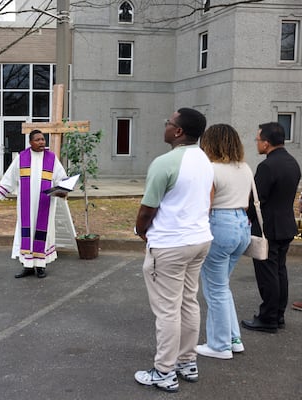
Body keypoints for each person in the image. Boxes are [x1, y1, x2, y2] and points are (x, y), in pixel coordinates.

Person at [133, 108, 213, 392]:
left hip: (171, 244)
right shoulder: (204, 159)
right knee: (188, 301)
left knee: (168, 310)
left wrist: (140, 231)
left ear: (178, 131)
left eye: (168, 123)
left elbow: (147, 209)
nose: (165, 126)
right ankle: (186, 361)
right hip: (199, 239)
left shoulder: (165, 162)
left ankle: (164, 371)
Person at [196, 124, 253, 359]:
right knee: (222, 286)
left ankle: (219, 345)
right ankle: (232, 338)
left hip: (220, 224)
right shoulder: (244, 167)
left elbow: (205, 206)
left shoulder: (210, 169)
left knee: (215, 289)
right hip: (242, 225)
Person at [0, 130, 67, 279]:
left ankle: (40, 266)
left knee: (43, 233)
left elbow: (61, 179)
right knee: (26, 233)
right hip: (26, 206)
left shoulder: (51, 158)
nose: (42, 142)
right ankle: (27, 266)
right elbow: (9, 179)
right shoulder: (22, 158)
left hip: (45, 204)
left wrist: (63, 189)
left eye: (43, 139)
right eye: (38, 140)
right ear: (30, 142)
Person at [241, 122, 301, 333]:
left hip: (268, 228)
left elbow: (257, 199)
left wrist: (246, 218)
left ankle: (267, 318)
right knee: (280, 272)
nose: (256, 143)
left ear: (266, 143)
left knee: (268, 275)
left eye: (258, 140)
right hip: (286, 225)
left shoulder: (267, 166)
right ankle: (278, 316)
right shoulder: (293, 162)